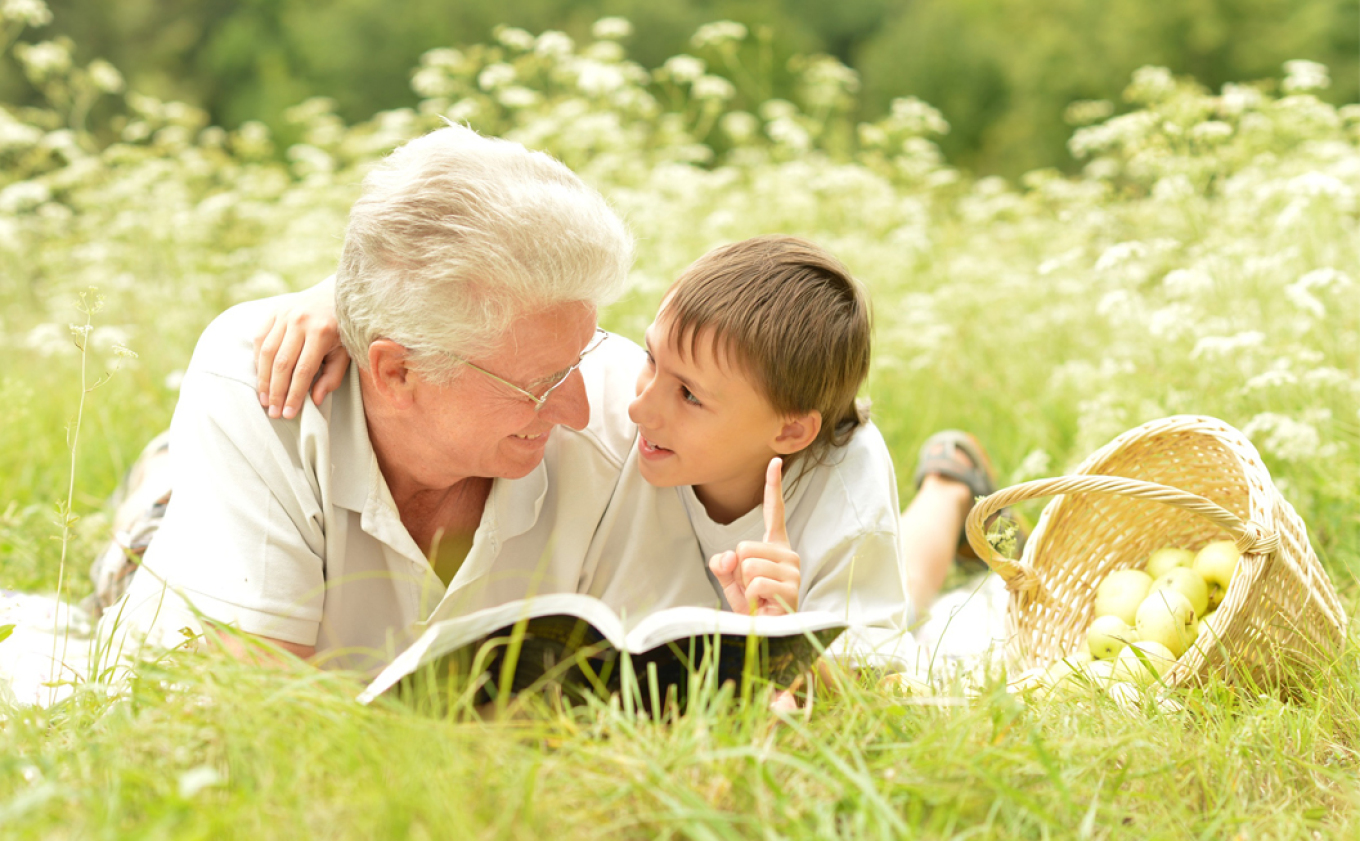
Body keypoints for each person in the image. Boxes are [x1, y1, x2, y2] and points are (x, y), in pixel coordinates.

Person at [257, 236, 1005, 670]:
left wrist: (777, 634)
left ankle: (946, 484)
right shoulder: (635, 409)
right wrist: (335, 299)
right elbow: (489, 296)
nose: (640, 402)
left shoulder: (840, 479)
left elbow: (858, 681)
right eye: (652, 362)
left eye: (689, 395)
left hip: (832, 554)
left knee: (910, 597)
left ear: (789, 431)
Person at [98, 125, 646, 673]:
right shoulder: (260, 374)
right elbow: (255, 691)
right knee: (146, 546)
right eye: (538, 384)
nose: (579, 411)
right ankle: (161, 478)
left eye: (579, 360)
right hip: (183, 534)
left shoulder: (631, 403)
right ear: (397, 370)